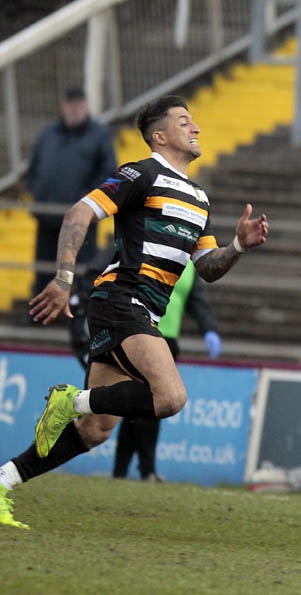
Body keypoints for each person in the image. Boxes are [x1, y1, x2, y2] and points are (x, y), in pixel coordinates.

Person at [0, 95, 268, 530]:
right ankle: (70, 400)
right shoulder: (141, 174)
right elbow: (79, 212)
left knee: (96, 430)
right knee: (171, 398)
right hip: (121, 300)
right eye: (184, 121)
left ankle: (4, 480)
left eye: (194, 121)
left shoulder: (199, 199)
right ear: (159, 136)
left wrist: (237, 246)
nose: (196, 128)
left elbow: (206, 268)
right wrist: (63, 277)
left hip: (138, 312)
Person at [113, 260, 222, 482]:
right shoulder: (148, 251)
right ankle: (143, 470)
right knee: (147, 406)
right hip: (140, 336)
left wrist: (209, 329)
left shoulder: (190, 265)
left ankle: (126, 471)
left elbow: (197, 301)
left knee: (145, 406)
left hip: (167, 342)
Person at [28, 86, 116, 297]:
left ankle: (79, 310)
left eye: (78, 104)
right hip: (47, 218)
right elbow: (34, 169)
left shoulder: (99, 135)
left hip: (80, 222)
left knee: (80, 274)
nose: (74, 109)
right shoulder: (48, 134)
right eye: (70, 104)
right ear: (63, 106)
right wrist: (38, 194)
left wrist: (87, 201)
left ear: (86, 106)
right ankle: (41, 311)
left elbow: (108, 172)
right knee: (44, 273)